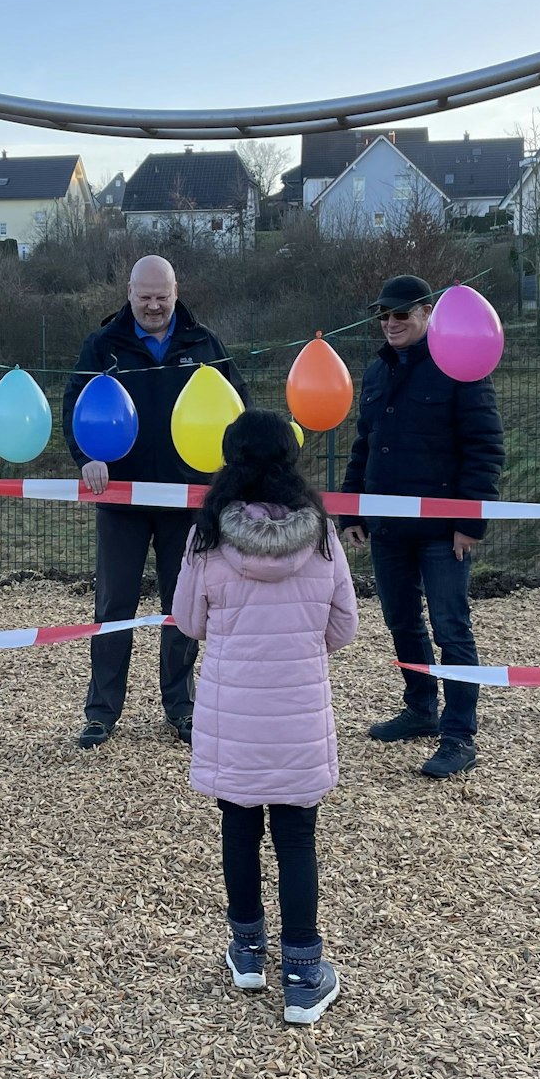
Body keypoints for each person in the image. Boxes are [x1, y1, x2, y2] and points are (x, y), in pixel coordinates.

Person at [173, 410, 358, 1025]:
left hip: (233, 711)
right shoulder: (323, 536)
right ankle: (305, 972)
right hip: (300, 709)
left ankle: (248, 952)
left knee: (238, 828)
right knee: (298, 837)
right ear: (290, 459)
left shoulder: (206, 539)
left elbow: (189, 623)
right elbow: (344, 627)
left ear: (229, 461)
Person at [61, 254, 248, 749]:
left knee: (183, 607)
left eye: (162, 297)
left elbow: (237, 407)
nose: (153, 306)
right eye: (144, 297)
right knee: (113, 605)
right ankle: (101, 713)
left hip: (188, 499)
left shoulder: (204, 343)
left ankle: (183, 708)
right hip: (119, 497)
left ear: (175, 290)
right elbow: (74, 406)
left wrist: (232, 471)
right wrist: (85, 457)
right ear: (128, 292)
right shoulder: (103, 345)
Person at [338, 275, 506, 780]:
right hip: (387, 526)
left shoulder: (461, 366)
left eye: (401, 314)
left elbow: (484, 448)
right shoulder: (375, 373)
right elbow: (363, 446)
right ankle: (420, 708)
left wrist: (469, 522)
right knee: (401, 621)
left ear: (427, 313)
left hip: (442, 531)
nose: (391, 323)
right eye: (384, 315)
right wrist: (352, 511)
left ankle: (459, 734)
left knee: (452, 628)